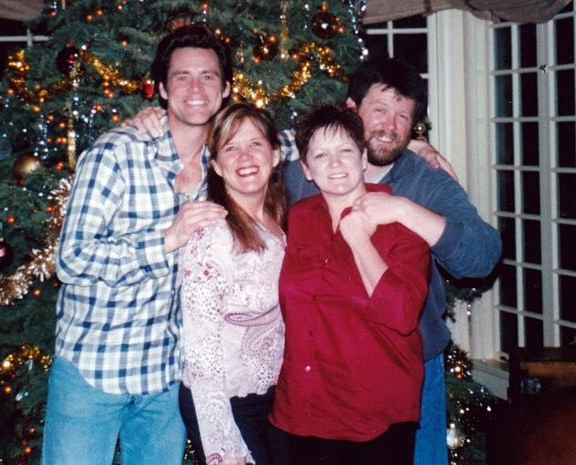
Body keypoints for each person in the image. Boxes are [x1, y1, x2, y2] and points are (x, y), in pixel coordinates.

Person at [283, 56, 502, 465]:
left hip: (410, 365)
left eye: (404, 116)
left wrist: (404, 211)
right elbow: (250, 150)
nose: (390, 125)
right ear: (352, 110)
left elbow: (482, 256)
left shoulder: (425, 181)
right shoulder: (307, 173)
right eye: (380, 109)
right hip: (327, 373)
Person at [42, 25, 231, 465]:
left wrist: (410, 148)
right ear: (162, 89)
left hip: (165, 377)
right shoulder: (116, 154)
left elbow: (306, 150)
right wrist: (166, 240)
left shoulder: (226, 160)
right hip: (94, 370)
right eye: (182, 77)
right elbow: (70, 260)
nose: (196, 88)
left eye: (208, 76)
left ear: (225, 90)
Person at [270, 104, 431, 465]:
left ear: (362, 158)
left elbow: (402, 314)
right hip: (302, 412)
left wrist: (359, 240)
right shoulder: (299, 217)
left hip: (373, 418)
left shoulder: (401, 220)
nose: (336, 163)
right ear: (307, 169)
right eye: (321, 155)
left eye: (345, 151)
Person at [179, 102, 288, 465]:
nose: (245, 156)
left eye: (255, 144)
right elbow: (201, 354)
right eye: (230, 147)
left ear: (276, 154)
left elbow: (329, 148)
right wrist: (223, 448)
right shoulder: (211, 235)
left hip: (277, 398)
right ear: (216, 165)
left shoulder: (283, 219)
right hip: (225, 402)